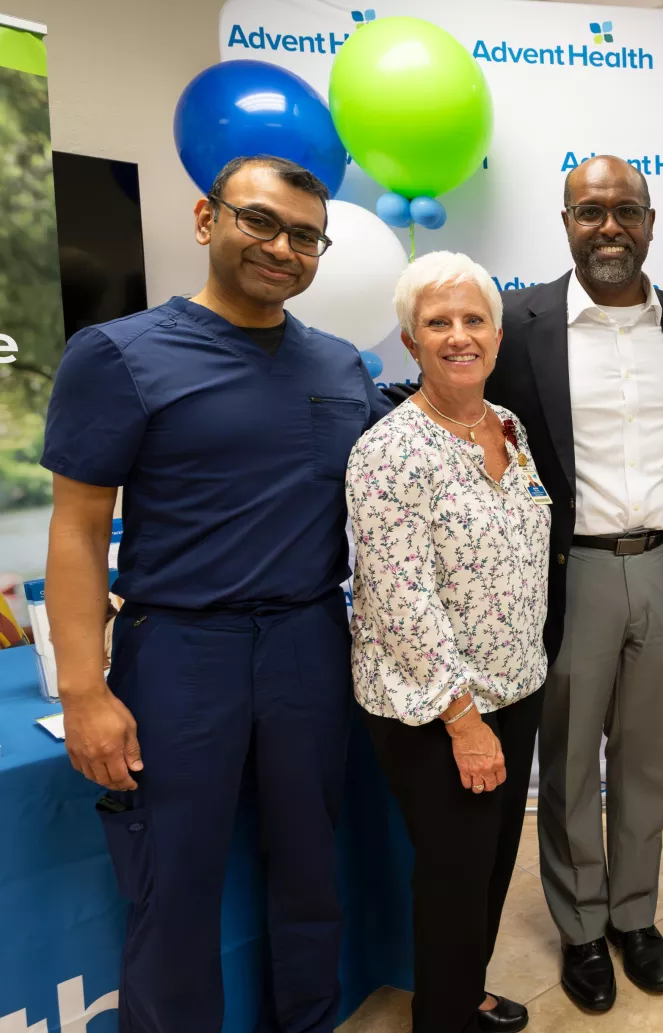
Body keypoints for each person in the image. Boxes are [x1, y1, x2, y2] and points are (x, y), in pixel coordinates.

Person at [41, 155, 389, 1032]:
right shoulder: (118, 354)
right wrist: (86, 688)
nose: (283, 248)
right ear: (208, 219)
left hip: (310, 641)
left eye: (305, 236)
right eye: (261, 222)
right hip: (181, 651)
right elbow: (79, 530)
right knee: (174, 886)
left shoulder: (341, 365)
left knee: (311, 871)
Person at [483, 155, 663, 1012]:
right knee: (566, 767)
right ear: (564, 221)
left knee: (646, 764)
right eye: (590, 212)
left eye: (626, 211)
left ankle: (635, 914)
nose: (609, 228)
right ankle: (582, 925)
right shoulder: (517, 322)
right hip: (571, 574)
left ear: (651, 221)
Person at [348, 251, 550, 1033]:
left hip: (516, 688)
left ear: (497, 338)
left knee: (493, 866)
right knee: (455, 876)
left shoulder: (508, 427)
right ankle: (443, 1017)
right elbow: (401, 603)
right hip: (440, 712)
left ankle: (462, 990)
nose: (459, 335)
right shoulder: (389, 451)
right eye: (439, 322)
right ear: (410, 340)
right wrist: (464, 722)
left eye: (473, 321)